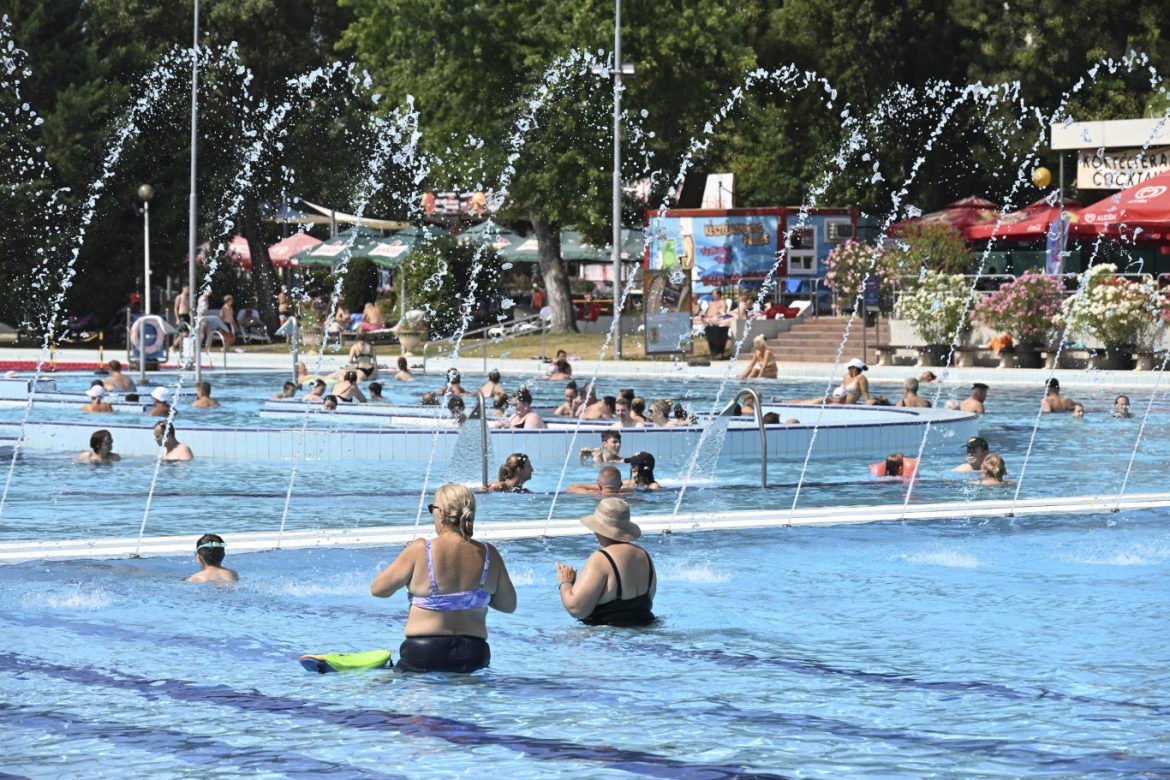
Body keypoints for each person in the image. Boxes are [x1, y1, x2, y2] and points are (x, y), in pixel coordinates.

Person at [370, 484, 517, 673]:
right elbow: (508, 605)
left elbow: (378, 589)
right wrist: (476, 598)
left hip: (424, 654)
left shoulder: (421, 549)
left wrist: (409, 571)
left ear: (442, 513)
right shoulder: (489, 554)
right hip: (473, 655)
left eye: (432, 508)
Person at [555, 498, 655, 627]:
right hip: (648, 625)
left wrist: (565, 582)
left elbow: (576, 609)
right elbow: (648, 601)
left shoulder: (601, 559)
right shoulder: (644, 555)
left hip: (609, 635)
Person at [566, 465, 631, 495]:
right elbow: (626, 487)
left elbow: (571, 488)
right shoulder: (626, 493)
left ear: (599, 485)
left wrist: (597, 486)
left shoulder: (592, 494)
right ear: (620, 485)